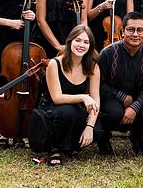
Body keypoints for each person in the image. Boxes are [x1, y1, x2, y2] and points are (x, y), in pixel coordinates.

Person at [28, 26, 104, 166]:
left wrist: (89, 127)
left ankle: (68, 145)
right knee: (66, 112)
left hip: (73, 110)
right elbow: (57, 98)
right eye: (78, 40)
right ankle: (55, 148)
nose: (81, 45)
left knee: (98, 131)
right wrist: (83, 97)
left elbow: (96, 100)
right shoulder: (55, 63)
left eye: (86, 42)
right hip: (52, 109)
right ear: (70, 42)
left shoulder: (93, 66)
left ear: (90, 46)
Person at [96, 12, 143, 155]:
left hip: (139, 99)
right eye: (130, 30)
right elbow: (99, 84)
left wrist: (135, 107)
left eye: (140, 30)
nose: (135, 34)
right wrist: (121, 96)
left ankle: (136, 137)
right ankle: (104, 139)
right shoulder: (107, 53)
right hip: (112, 99)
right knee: (113, 112)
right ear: (122, 31)